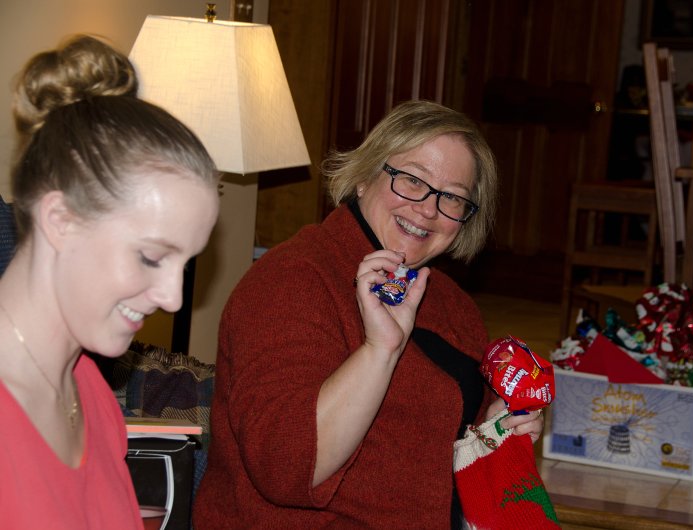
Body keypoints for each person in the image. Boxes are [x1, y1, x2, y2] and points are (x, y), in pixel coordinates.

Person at [195, 100, 544, 528]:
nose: (428, 209)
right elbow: (284, 469)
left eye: (453, 197)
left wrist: (492, 431)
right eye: (412, 180)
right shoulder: (291, 280)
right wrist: (379, 350)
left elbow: (441, 443)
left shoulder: (452, 303)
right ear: (363, 178)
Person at [0, 35, 220, 529]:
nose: (172, 297)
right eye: (150, 256)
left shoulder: (87, 389)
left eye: (183, 264)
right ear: (60, 219)